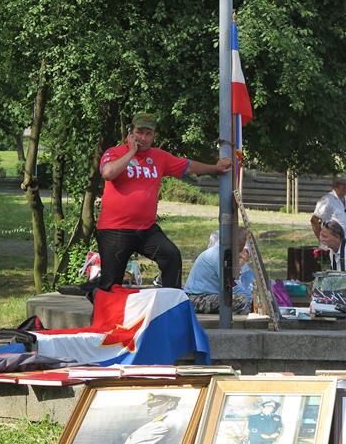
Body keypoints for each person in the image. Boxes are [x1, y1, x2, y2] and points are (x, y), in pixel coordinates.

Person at [95, 113, 231, 293]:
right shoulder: (114, 153)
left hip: (146, 229)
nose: (143, 138)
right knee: (110, 285)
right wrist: (131, 152)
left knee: (171, 256)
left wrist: (215, 168)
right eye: (139, 132)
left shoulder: (159, 157)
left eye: (148, 134)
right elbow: (108, 173)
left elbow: (187, 166)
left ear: (154, 136)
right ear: (130, 133)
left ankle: (170, 305)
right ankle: (103, 315)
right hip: (115, 230)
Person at [95, 393, 185, 444]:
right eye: (149, 405)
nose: (149, 409)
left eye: (155, 405)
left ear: (171, 404)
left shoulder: (161, 425)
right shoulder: (176, 417)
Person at [184, 227, 252, 315]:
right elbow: (231, 286)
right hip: (196, 300)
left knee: (241, 299)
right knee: (242, 301)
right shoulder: (220, 255)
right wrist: (251, 299)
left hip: (206, 296)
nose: (241, 250)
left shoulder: (223, 252)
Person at [311, 175, 346, 241]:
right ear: (335, 186)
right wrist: (322, 239)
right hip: (331, 244)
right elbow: (314, 220)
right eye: (342, 184)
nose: (345, 187)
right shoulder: (327, 200)